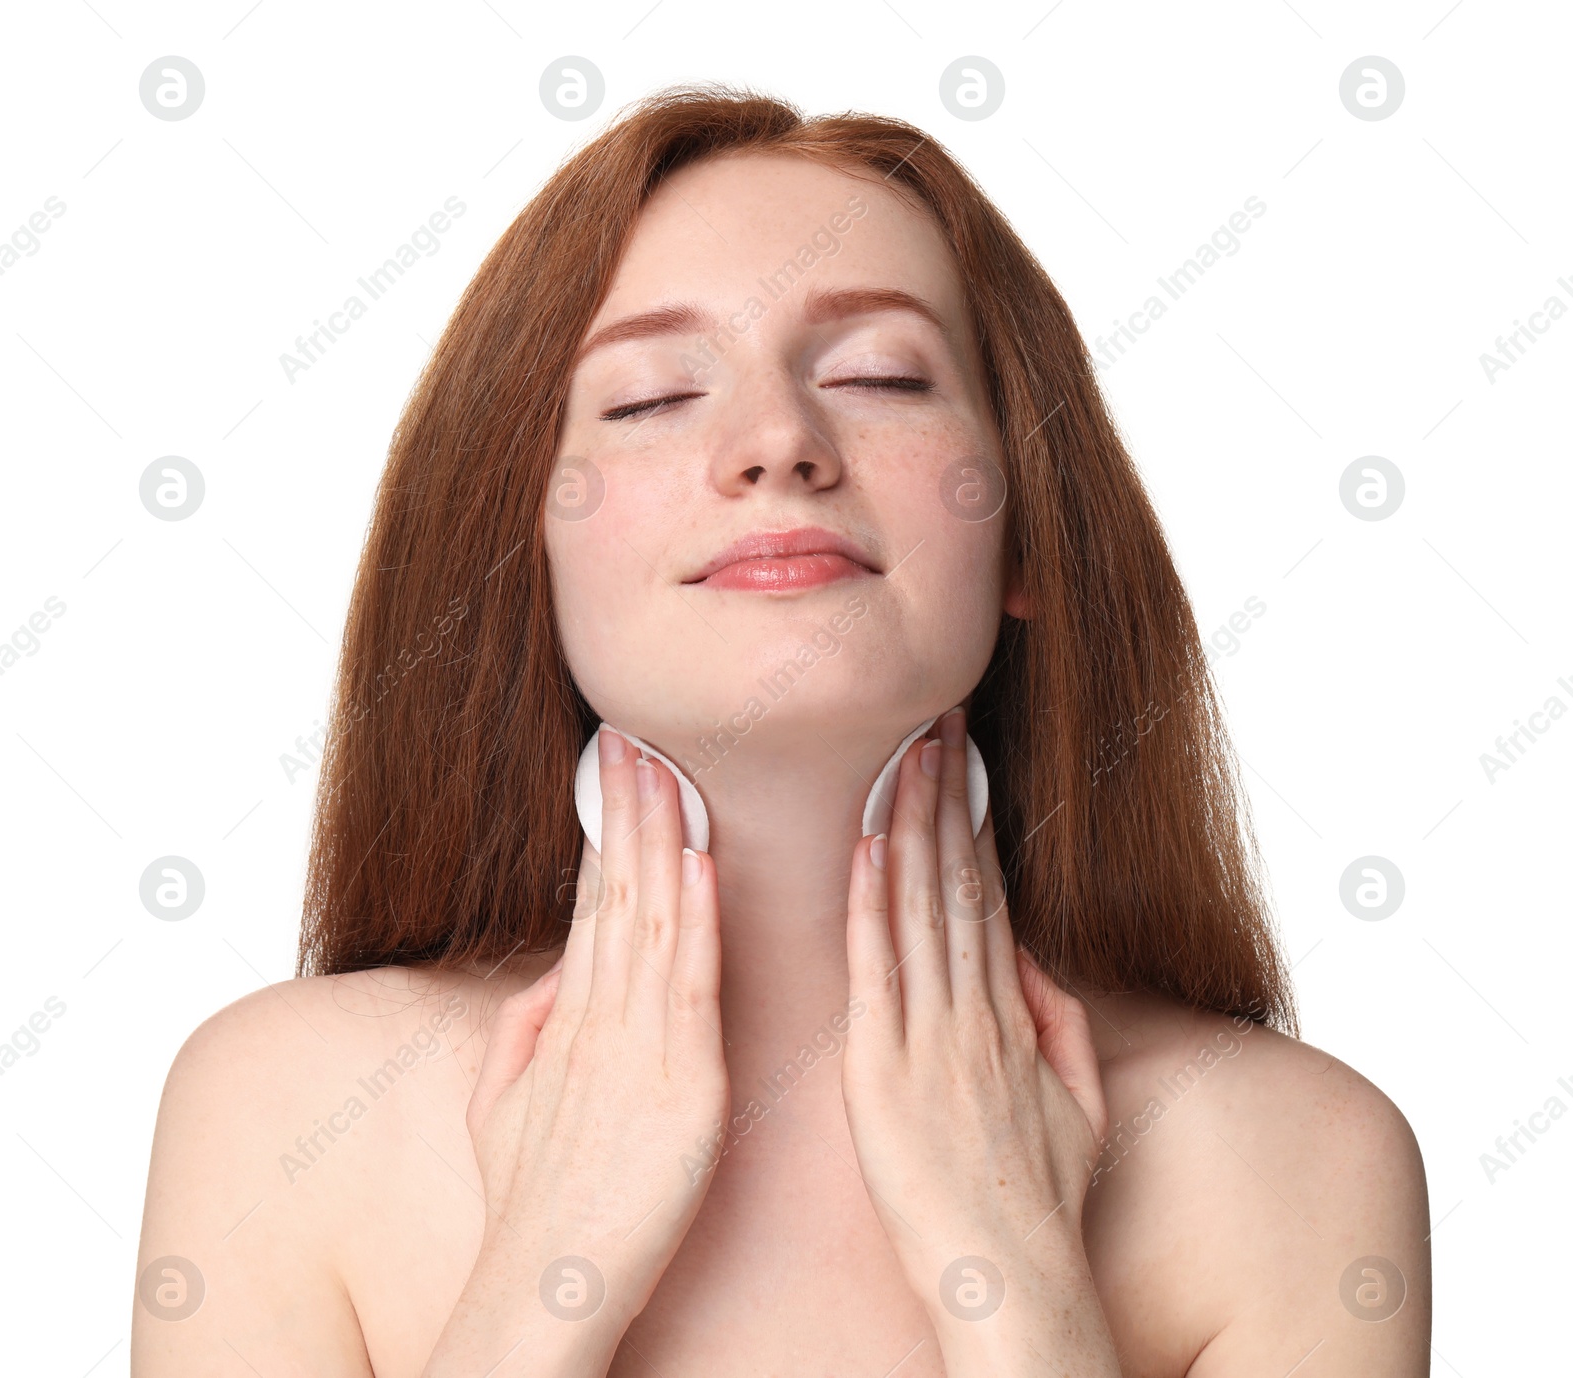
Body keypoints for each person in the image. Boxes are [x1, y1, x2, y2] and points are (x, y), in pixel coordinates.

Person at [132, 86, 1430, 1376]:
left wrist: (1021, 1291)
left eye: (878, 375)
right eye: (647, 397)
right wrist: (546, 1274)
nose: (777, 445)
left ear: (1027, 527)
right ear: (522, 551)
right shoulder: (277, 1117)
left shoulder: (1297, 1167)